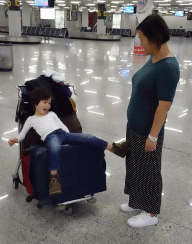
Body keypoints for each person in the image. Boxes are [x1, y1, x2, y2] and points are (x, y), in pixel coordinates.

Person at [9, 87, 129, 196]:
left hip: (63, 134)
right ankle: (54, 178)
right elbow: (22, 134)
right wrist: (15, 139)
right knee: (54, 148)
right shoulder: (31, 119)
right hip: (50, 137)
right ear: (35, 103)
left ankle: (115, 148)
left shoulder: (51, 114)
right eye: (45, 102)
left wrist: (69, 136)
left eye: (49, 103)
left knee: (88, 137)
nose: (48, 105)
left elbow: (62, 125)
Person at [120, 14, 180, 227]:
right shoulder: (153, 57)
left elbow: (164, 106)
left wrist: (153, 136)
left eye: (142, 38)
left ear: (154, 38)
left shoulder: (168, 68)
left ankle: (151, 213)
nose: (140, 43)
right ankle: (137, 201)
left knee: (149, 171)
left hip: (148, 131)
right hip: (135, 126)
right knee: (135, 166)